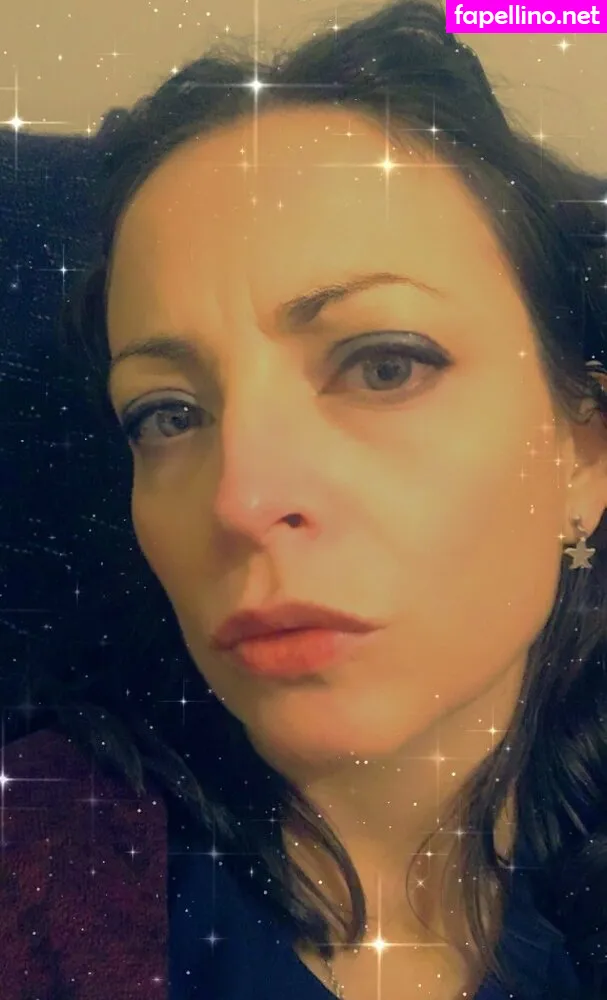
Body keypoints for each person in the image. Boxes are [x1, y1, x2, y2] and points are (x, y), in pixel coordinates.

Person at [3, 0, 607, 997]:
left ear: (581, 454)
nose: (240, 499)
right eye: (167, 413)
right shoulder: (36, 876)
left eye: (382, 365)